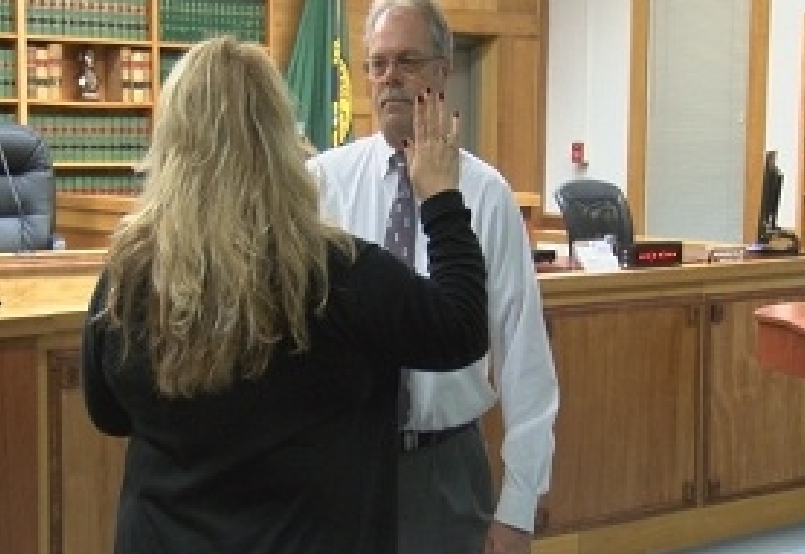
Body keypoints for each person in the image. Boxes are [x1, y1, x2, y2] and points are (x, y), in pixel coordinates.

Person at [80, 36, 488, 554]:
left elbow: (108, 414)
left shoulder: (130, 275)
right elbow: (461, 328)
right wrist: (443, 199)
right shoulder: (339, 273)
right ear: (282, 139)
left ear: (170, 144)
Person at [307, 1, 560, 553]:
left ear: (444, 70)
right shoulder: (324, 183)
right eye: (377, 63)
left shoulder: (487, 195)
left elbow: (524, 356)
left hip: (444, 469)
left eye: (407, 60)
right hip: (343, 461)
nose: (390, 78)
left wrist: (518, 508)